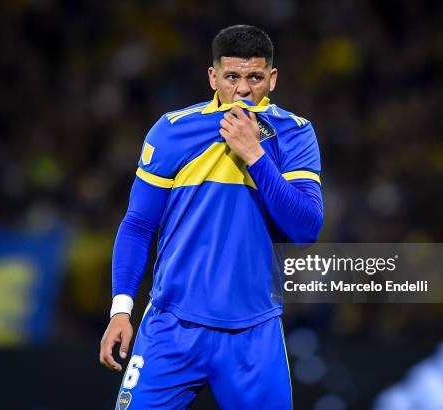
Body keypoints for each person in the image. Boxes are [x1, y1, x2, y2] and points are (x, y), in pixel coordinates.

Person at [100, 24, 323, 409]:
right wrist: (121, 309)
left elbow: (306, 228)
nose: (242, 89)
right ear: (212, 77)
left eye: (254, 77)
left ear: (271, 78)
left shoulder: (294, 134)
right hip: (171, 327)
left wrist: (255, 156)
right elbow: (137, 225)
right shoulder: (172, 131)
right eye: (232, 77)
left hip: (254, 333)